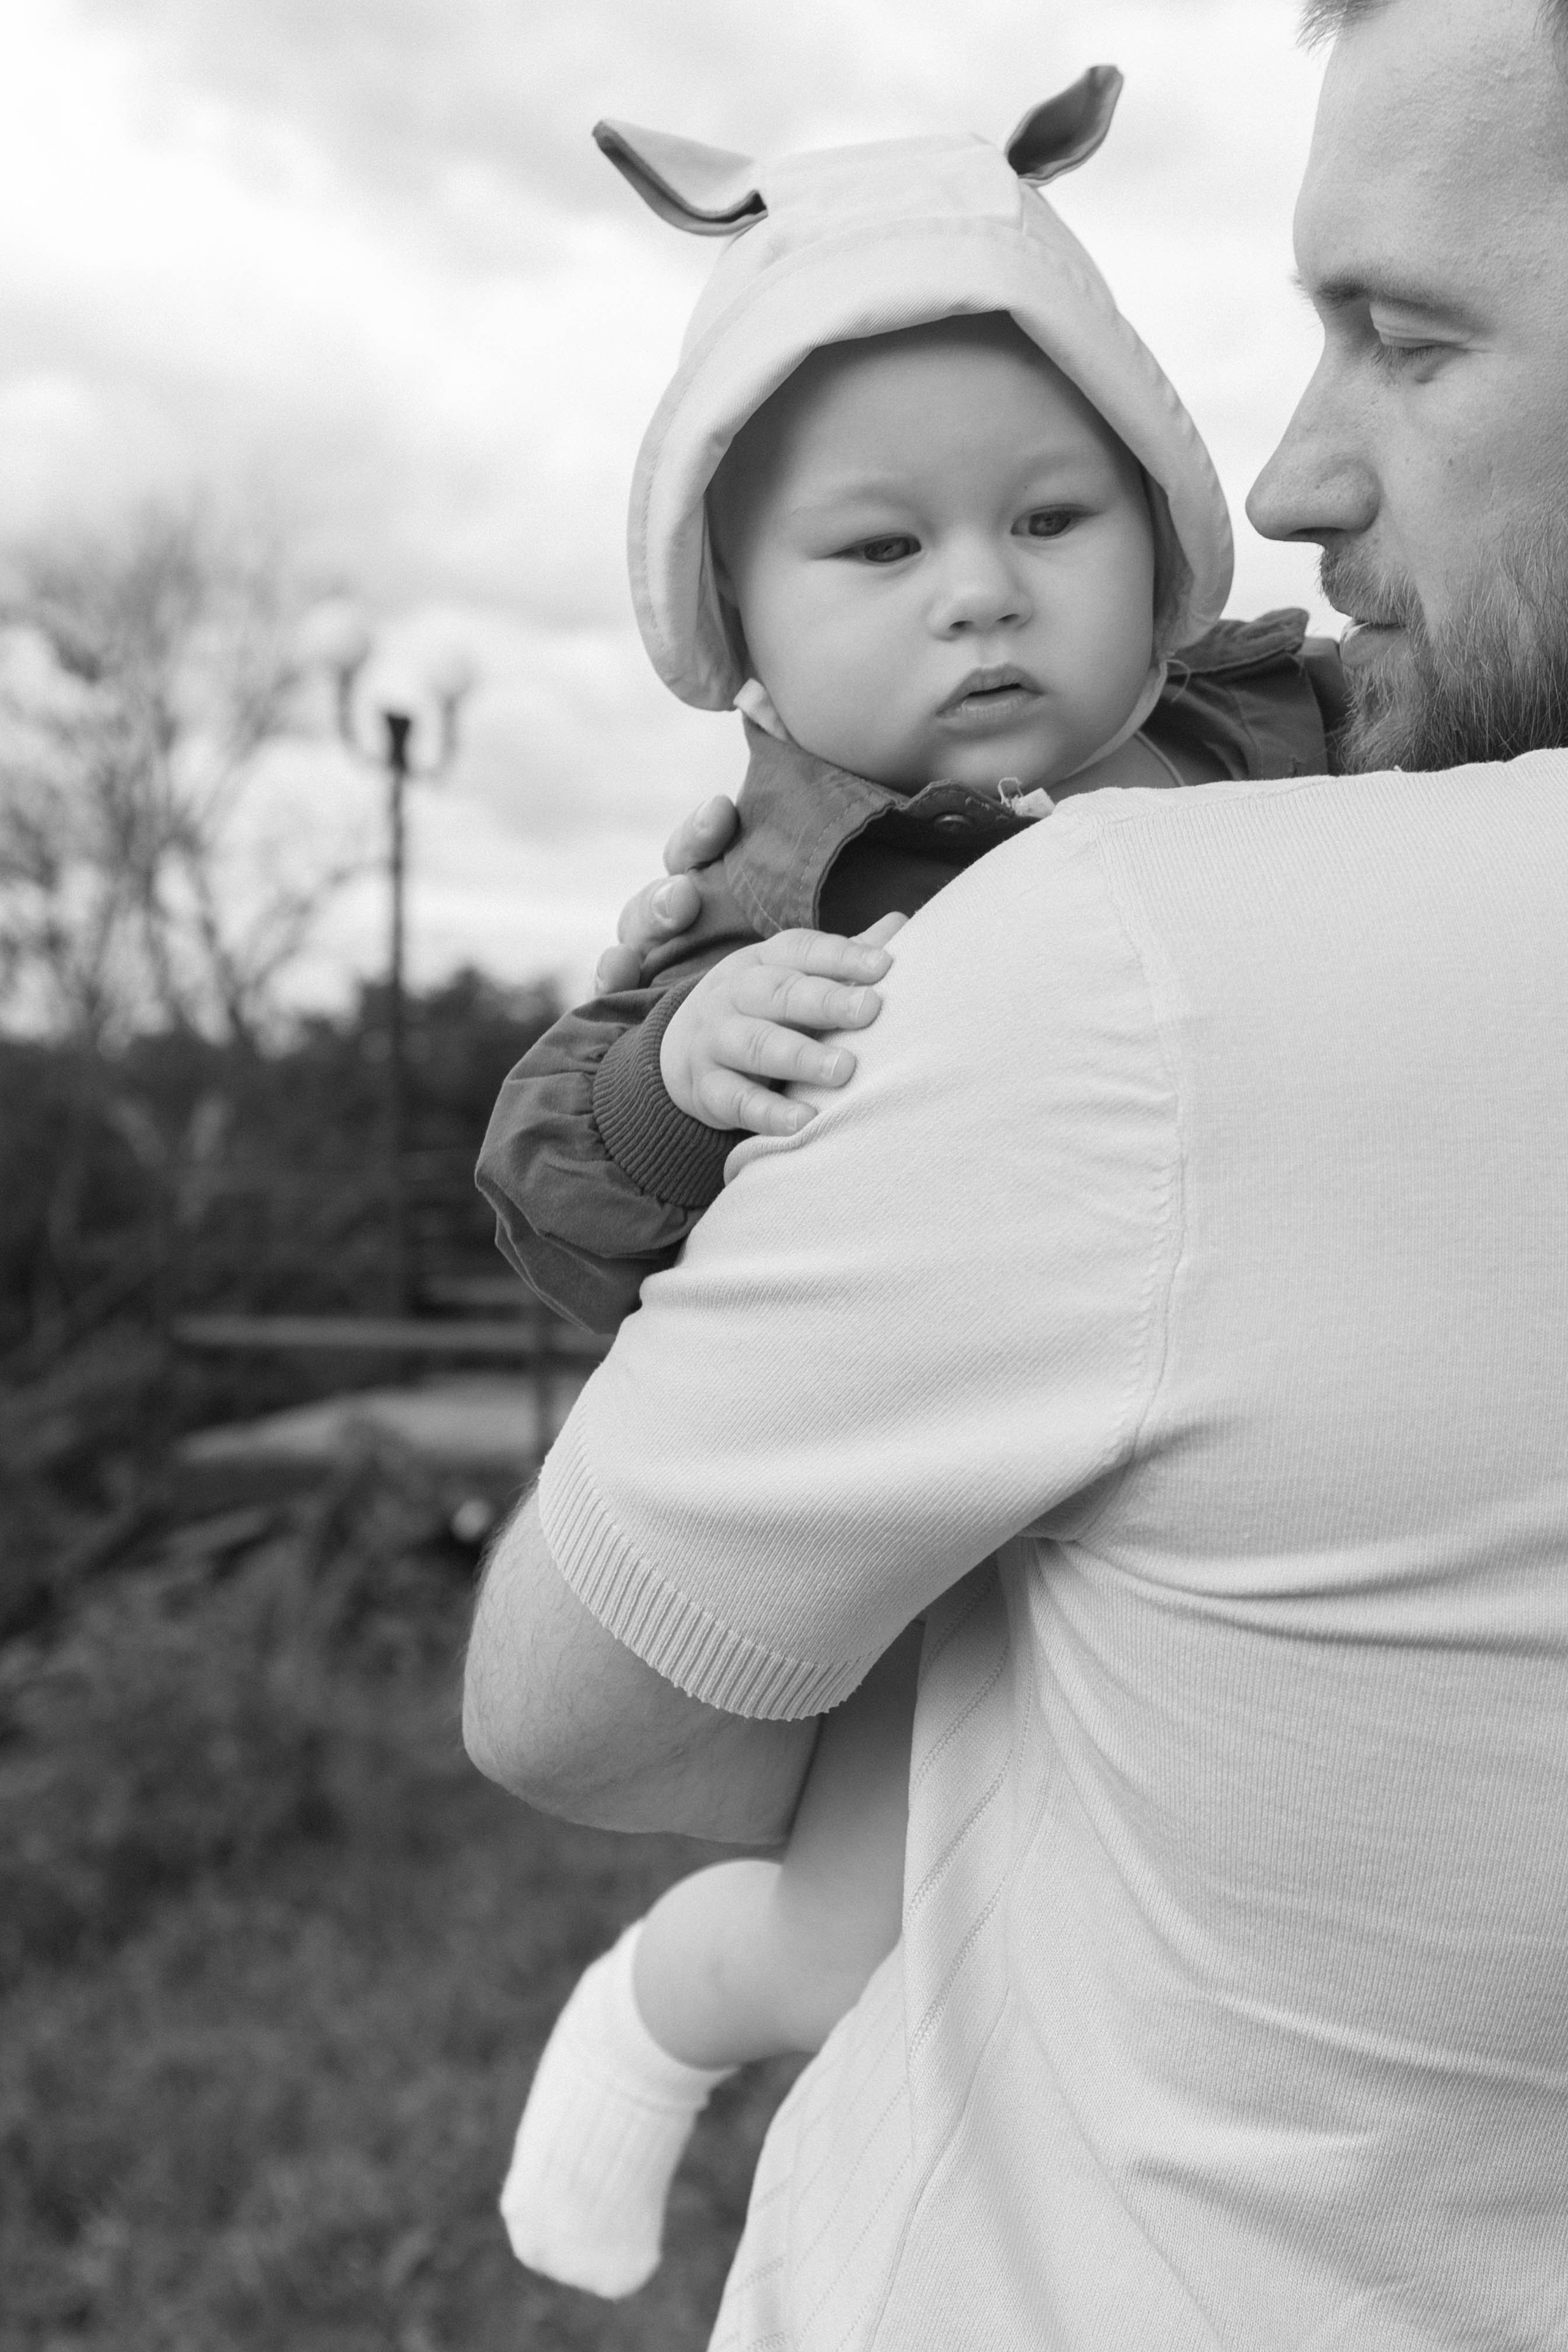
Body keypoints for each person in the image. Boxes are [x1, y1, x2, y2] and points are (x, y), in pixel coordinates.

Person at [467, 0, 1568, 2343]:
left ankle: (690, 2021)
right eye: (881, 548)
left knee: (893, 1893)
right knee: (841, 1912)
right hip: (908, 1509)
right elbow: (559, 1173)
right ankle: (661, 2014)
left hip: (1037, 1529)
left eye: (1057, 521)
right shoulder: (776, 891)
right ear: (746, 632)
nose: (979, 593)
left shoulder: (1228, 771)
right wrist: (675, 1072)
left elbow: (565, 1711)